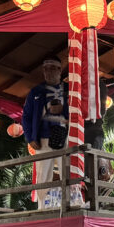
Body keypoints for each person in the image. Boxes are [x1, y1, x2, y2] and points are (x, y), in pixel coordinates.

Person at [22, 57, 69, 208]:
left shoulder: (69, 90)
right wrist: (30, 138)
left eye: (52, 68)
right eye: (45, 68)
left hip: (66, 137)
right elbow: (26, 116)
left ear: (60, 70)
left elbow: (78, 110)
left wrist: (64, 109)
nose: (48, 72)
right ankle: (42, 208)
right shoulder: (36, 91)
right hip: (43, 139)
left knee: (68, 172)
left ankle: (70, 204)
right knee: (43, 174)